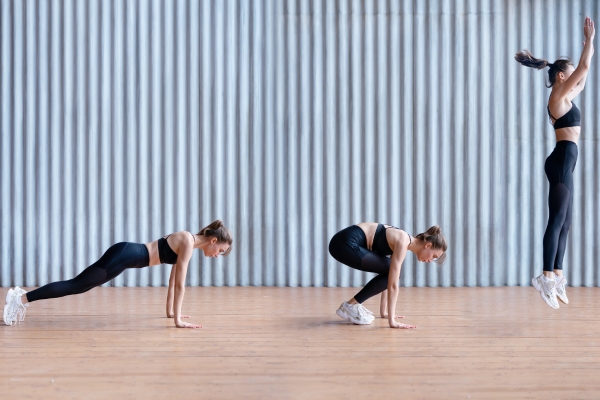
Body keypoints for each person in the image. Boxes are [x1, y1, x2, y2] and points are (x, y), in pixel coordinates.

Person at [3, 220, 232, 328]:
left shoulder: (188, 243)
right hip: (123, 255)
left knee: (79, 286)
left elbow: (173, 280)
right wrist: (178, 321)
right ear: (213, 241)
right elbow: (180, 284)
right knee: (76, 285)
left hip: (124, 256)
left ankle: (21, 298)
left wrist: (172, 313)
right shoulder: (187, 241)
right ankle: (20, 299)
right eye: (220, 251)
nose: (217, 256)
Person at [515, 17, 595, 309]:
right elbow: (582, 69)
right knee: (557, 219)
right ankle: (545, 276)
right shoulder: (558, 95)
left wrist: (589, 47)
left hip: (566, 161)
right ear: (561, 76)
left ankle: (557, 274)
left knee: (566, 221)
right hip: (561, 161)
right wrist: (589, 41)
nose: (575, 78)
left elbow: (584, 75)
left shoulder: (566, 95)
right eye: (570, 73)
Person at [328, 223, 448, 328]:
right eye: (434, 256)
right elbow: (393, 285)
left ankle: (352, 305)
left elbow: (389, 276)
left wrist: (384, 312)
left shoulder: (402, 239)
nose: (430, 260)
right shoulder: (402, 241)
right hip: (344, 243)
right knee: (393, 272)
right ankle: (350, 306)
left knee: (390, 270)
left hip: (341, 243)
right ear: (428, 245)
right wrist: (392, 321)